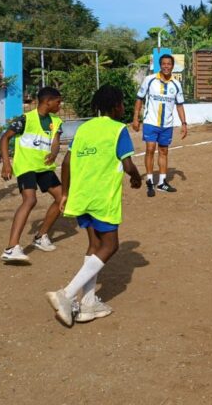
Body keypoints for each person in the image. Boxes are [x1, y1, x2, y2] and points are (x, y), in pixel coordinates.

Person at [46, 85, 142, 327]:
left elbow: (66, 162)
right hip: (102, 198)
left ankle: (88, 303)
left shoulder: (83, 128)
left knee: (94, 245)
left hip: (81, 196)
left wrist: (65, 193)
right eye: (122, 103)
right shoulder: (118, 129)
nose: (123, 107)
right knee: (110, 245)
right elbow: (128, 164)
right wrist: (136, 177)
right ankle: (66, 294)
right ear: (116, 106)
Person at [0, 87, 65, 263]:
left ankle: (41, 236)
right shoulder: (25, 119)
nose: (60, 105)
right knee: (30, 200)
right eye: (58, 102)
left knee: (62, 198)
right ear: (47, 102)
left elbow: (56, 142)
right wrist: (6, 163)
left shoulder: (56, 122)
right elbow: (5, 138)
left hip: (44, 167)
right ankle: (11, 248)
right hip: (26, 166)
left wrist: (54, 153)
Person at [132, 54, 188, 196]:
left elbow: (179, 105)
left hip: (167, 125)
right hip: (150, 122)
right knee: (150, 149)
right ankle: (150, 181)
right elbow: (139, 98)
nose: (166, 66)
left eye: (169, 64)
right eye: (164, 64)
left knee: (163, 151)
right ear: (160, 65)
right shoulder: (149, 80)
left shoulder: (176, 84)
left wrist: (184, 123)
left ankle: (162, 183)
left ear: (172, 66)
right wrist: (136, 118)